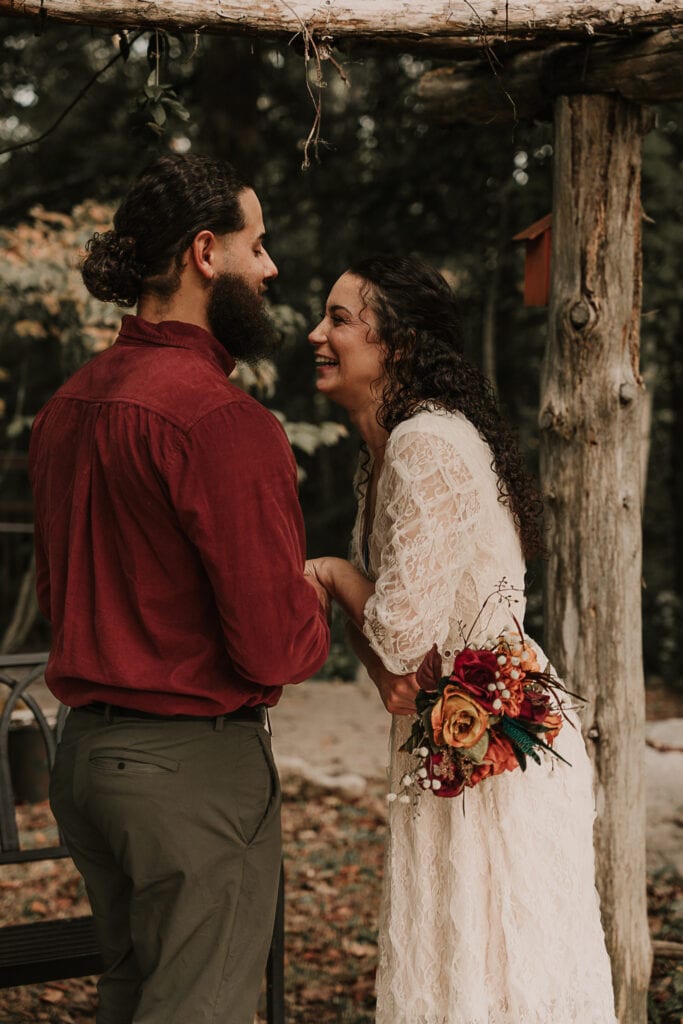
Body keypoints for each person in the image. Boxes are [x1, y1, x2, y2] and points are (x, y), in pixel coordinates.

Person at [28, 154, 330, 1024]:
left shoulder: (69, 405)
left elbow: (63, 592)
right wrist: (319, 590)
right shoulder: (221, 421)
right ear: (206, 252)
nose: (270, 268)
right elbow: (274, 644)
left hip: (85, 761)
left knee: (133, 999)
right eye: (257, 244)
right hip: (188, 772)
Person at [305, 255, 617, 1024]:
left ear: (397, 347)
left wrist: (334, 573)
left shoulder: (426, 446)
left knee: (494, 974)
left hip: (493, 751)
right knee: (461, 968)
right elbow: (398, 652)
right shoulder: (384, 452)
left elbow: (399, 630)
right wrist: (380, 659)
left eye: (340, 319)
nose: (316, 333)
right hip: (448, 736)